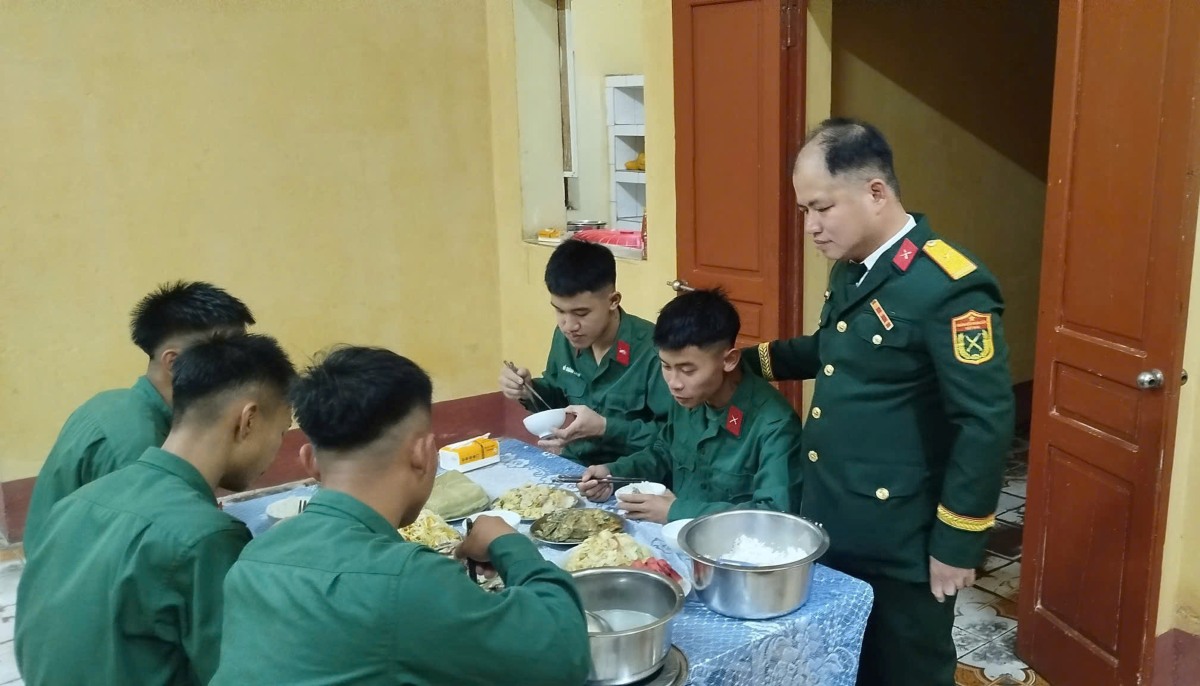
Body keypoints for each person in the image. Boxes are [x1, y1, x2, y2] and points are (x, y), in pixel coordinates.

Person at [743, 118, 1015, 685]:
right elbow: (835, 351)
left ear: (875, 192)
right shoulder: (854, 268)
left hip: (902, 536)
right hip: (835, 515)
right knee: (847, 660)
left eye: (821, 208)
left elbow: (984, 421)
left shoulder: (948, 286)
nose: (811, 227)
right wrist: (746, 361)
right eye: (804, 211)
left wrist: (959, 543)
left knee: (908, 666)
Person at [213, 347, 591, 686]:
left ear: (310, 463)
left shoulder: (252, 560)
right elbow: (562, 654)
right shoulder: (408, 581)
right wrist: (507, 542)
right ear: (425, 454)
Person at [15, 333, 296, 686]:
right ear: (249, 421)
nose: (277, 449)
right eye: (283, 431)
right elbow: (245, 672)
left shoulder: (77, 503)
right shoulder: (206, 537)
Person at [23, 281, 256, 547]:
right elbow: (144, 551)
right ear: (174, 362)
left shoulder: (117, 403)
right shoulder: (137, 446)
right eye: (232, 354)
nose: (248, 366)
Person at [578, 289, 802, 523]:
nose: (674, 383)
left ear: (729, 360)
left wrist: (676, 512)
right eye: (666, 366)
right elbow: (664, 451)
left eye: (688, 370)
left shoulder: (774, 425)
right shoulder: (689, 396)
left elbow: (775, 514)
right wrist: (615, 473)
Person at [498, 239, 671, 466]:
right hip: (574, 465)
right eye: (559, 311)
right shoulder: (564, 338)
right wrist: (529, 390)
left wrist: (606, 428)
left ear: (613, 301)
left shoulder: (653, 349)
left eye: (581, 313)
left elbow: (672, 438)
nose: (569, 325)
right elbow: (558, 401)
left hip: (632, 476)